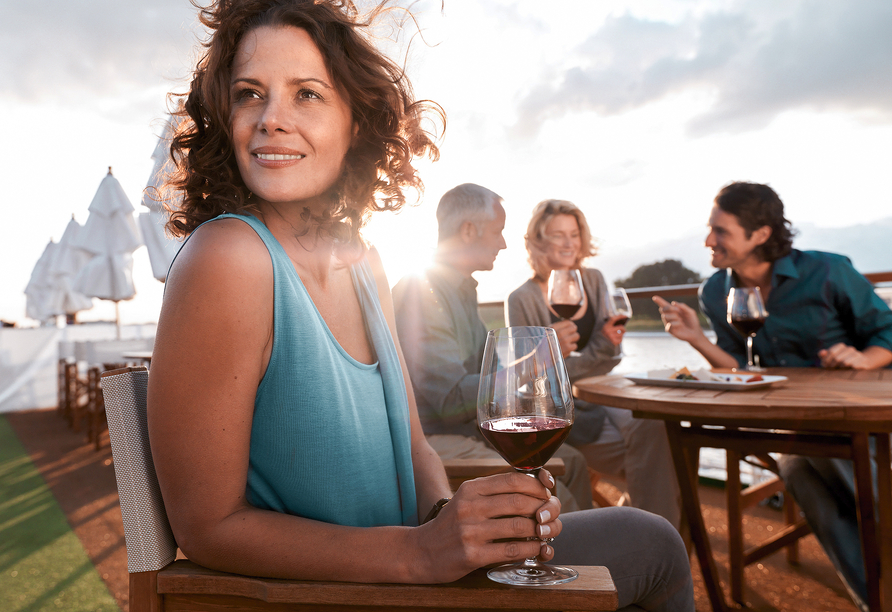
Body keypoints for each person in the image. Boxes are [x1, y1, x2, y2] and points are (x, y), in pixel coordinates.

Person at [147, 2, 694, 608]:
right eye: (251, 93)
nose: (272, 119)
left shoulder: (364, 261)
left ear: (356, 121)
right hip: (344, 592)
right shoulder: (228, 257)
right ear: (225, 114)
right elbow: (208, 527)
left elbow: (415, 446)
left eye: (307, 95)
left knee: (651, 539)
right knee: (649, 547)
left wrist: (453, 521)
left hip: (413, 570)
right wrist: (421, 554)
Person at [654, 180, 892, 611]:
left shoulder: (828, 271)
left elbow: (887, 331)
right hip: (788, 424)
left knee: (815, 460)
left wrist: (861, 357)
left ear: (761, 234)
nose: (709, 241)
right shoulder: (715, 292)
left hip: (856, 417)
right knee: (800, 466)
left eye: (720, 231)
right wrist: (695, 338)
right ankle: (875, 599)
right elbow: (743, 371)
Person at [391, 185, 594, 513]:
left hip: (466, 429)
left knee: (575, 464)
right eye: (498, 231)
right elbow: (453, 401)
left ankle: (586, 557)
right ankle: (551, 561)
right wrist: (537, 360)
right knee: (554, 498)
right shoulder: (421, 292)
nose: (503, 242)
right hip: (430, 442)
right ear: (468, 231)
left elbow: (491, 375)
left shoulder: (460, 291)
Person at [505, 199, 682, 532]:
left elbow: (613, 353)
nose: (570, 242)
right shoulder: (522, 299)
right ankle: (650, 536)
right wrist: (568, 355)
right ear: (539, 241)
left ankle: (649, 536)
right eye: (558, 235)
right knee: (662, 465)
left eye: (574, 234)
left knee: (655, 424)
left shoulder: (595, 280)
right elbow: (536, 378)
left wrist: (572, 357)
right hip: (561, 406)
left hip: (605, 390)